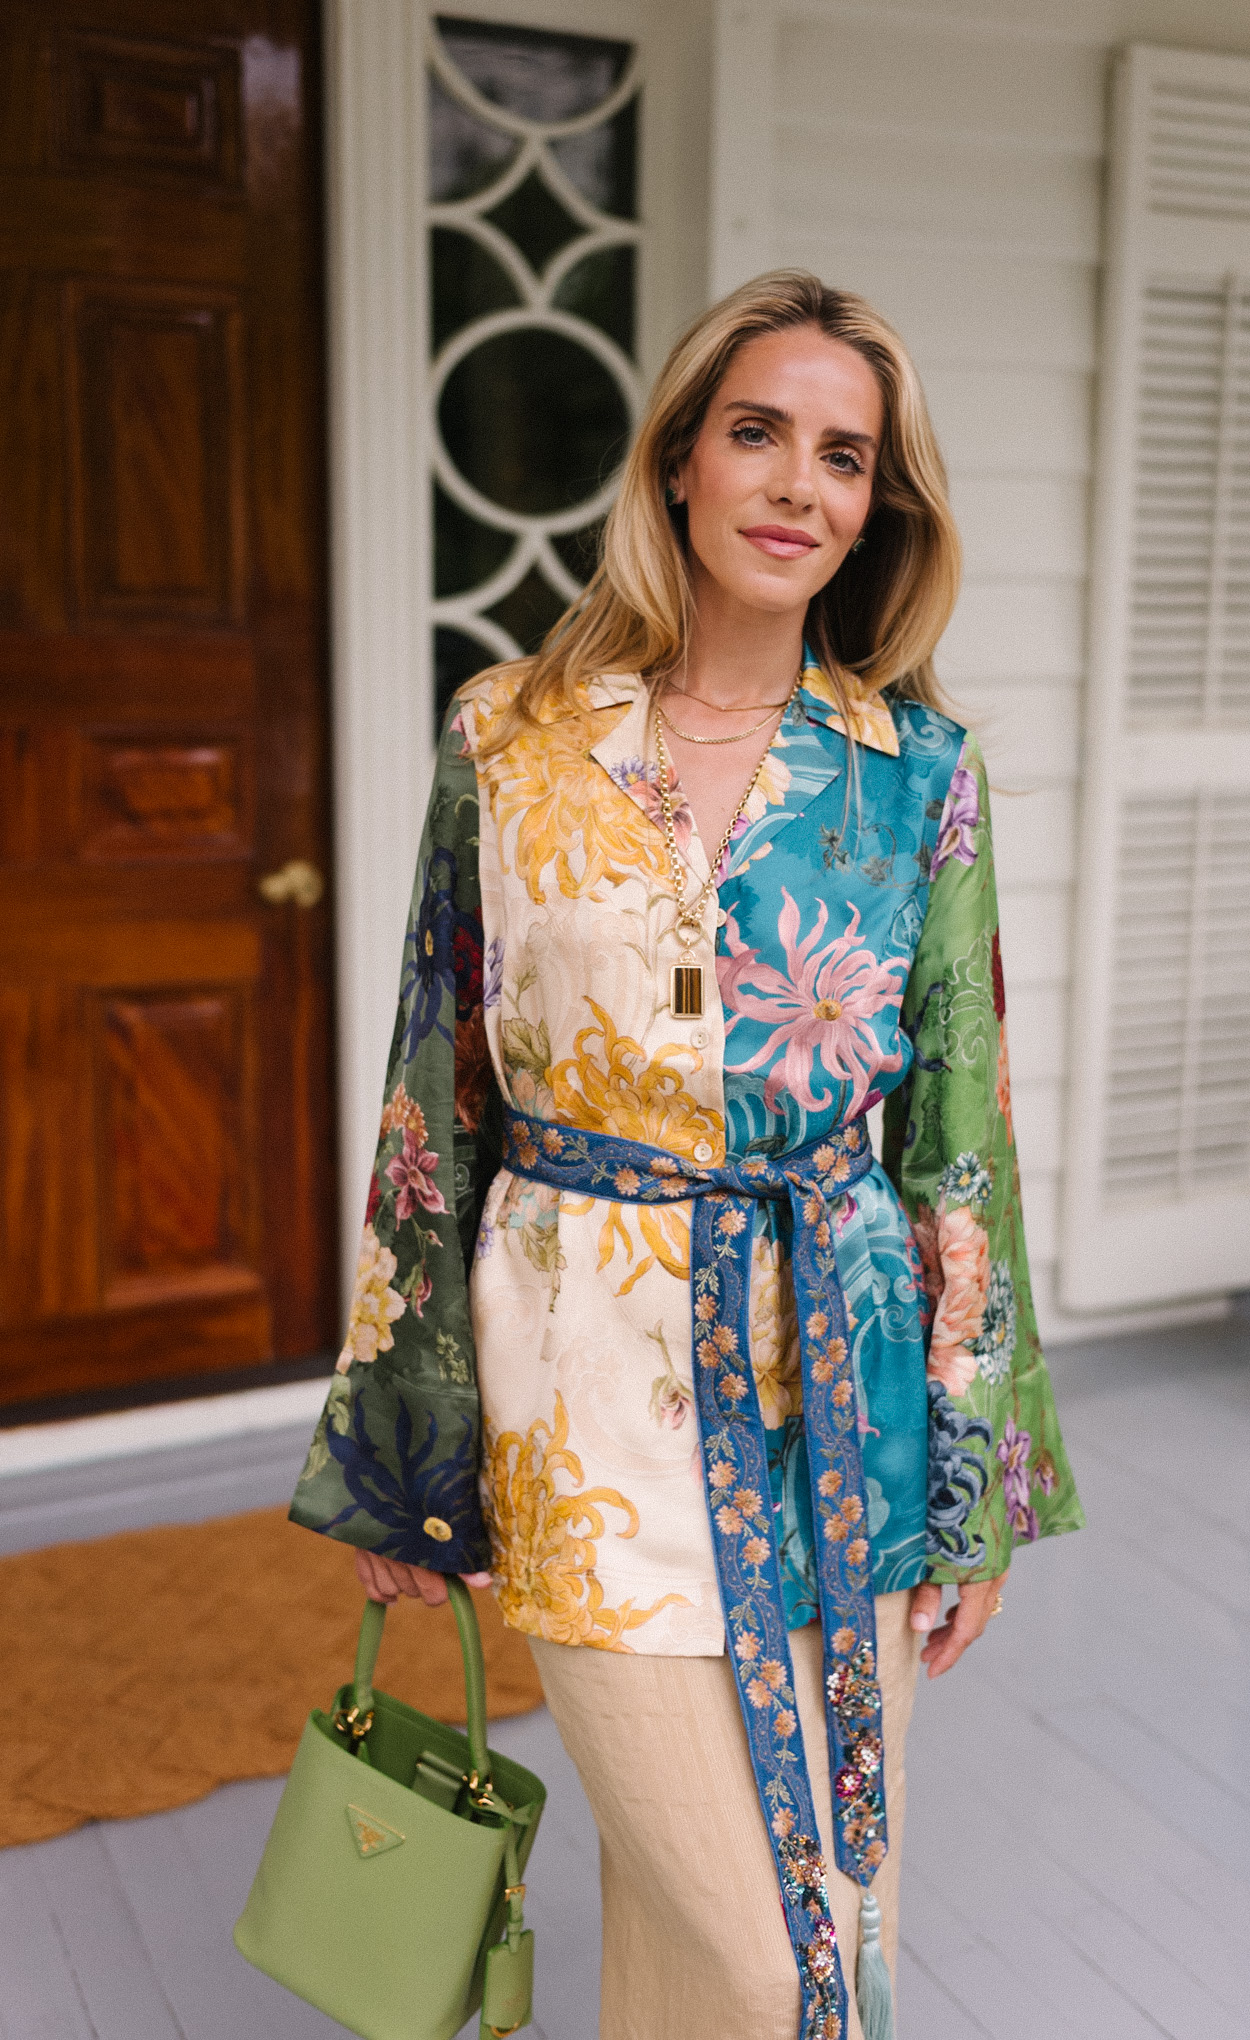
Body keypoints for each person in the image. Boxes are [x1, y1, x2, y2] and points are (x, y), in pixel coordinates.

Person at [290, 269, 1082, 2040]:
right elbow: (437, 1096)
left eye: (848, 456)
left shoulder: (916, 776)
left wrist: (973, 1484)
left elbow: (961, 1142)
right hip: (578, 1390)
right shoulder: (514, 739)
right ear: (675, 465)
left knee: (748, 1932)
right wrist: (397, 1444)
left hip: (841, 1394)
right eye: (758, 433)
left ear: (883, 505)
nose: (801, 484)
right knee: (771, 1956)